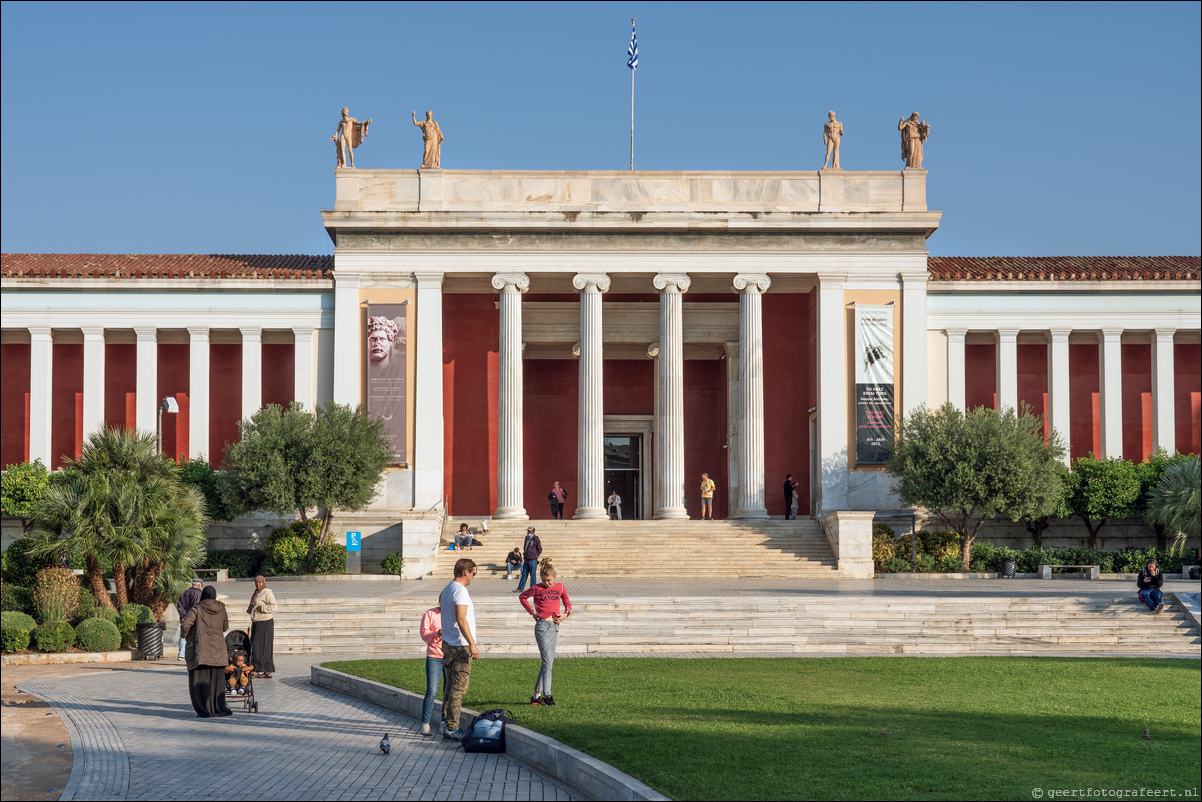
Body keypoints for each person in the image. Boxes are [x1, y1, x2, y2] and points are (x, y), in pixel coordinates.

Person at [519, 559, 572, 706]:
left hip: (554, 625)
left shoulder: (560, 587)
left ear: (554, 577)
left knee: (548, 663)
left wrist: (565, 614)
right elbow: (522, 597)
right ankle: (548, 696)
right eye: (543, 580)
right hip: (542, 626)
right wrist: (532, 612)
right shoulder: (537, 588)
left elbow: (567, 602)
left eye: (548, 580)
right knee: (547, 662)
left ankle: (536, 696)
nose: (546, 583)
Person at [439, 558, 480, 742]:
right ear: (466, 572)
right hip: (460, 645)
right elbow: (461, 619)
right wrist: (472, 643)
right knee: (458, 688)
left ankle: (446, 723)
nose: (473, 577)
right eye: (473, 573)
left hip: (447, 643)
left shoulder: (447, 589)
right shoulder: (461, 591)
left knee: (449, 685)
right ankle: (452, 727)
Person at [180, 585, 232, 718]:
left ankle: (203, 709)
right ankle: (217, 707)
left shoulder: (196, 608)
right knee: (216, 682)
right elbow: (225, 627)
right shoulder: (222, 609)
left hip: (200, 652)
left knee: (199, 681)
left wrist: (185, 636)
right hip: (218, 652)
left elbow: (186, 625)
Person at [418, 598, 448, 736]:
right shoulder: (430, 614)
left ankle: (444, 723)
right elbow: (424, 634)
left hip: (450, 657)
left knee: (448, 692)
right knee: (431, 691)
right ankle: (425, 723)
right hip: (434, 657)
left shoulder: (454, 614)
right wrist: (437, 633)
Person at [247, 575, 277, 678]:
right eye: (256, 582)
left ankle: (262, 669)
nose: (258, 584)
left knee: (262, 646)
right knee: (256, 646)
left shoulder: (267, 593)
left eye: (260, 582)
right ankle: (260, 669)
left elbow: (274, 606)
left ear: (263, 582)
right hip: (257, 622)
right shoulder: (257, 593)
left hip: (265, 622)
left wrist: (262, 608)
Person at [176, 577, 203, 661]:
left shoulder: (185, 592)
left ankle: (181, 654)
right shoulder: (199, 593)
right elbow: (196, 606)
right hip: (193, 618)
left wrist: (184, 616)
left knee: (183, 634)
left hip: (184, 618)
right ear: (198, 585)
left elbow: (179, 606)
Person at [514, 527, 543, 593]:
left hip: (533, 560)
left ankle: (533, 588)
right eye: (528, 531)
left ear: (533, 532)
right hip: (526, 559)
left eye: (530, 531)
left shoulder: (536, 539)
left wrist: (535, 556)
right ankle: (520, 588)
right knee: (524, 574)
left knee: (532, 574)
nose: (528, 533)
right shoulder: (526, 538)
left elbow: (540, 549)